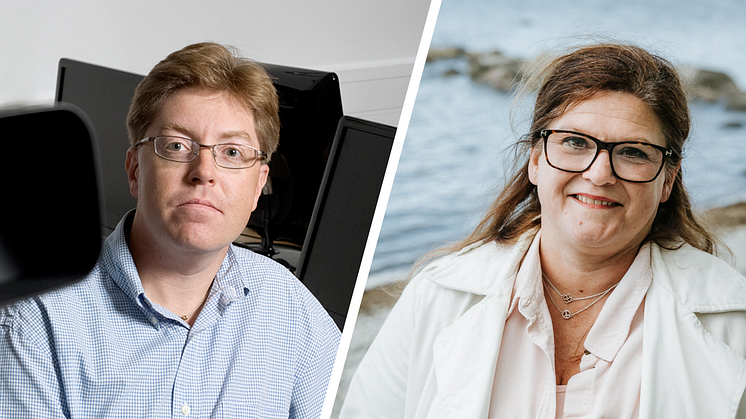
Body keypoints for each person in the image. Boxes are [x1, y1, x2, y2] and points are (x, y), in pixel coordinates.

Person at [339, 43, 746, 418]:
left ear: (668, 180)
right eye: (575, 143)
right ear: (536, 160)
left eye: (633, 152)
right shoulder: (436, 295)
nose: (599, 174)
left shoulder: (733, 321)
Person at [0, 42, 340, 418]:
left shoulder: (288, 306)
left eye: (231, 152)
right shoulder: (35, 323)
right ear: (134, 170)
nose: (204, 172)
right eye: (177, 145)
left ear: (259, 184)